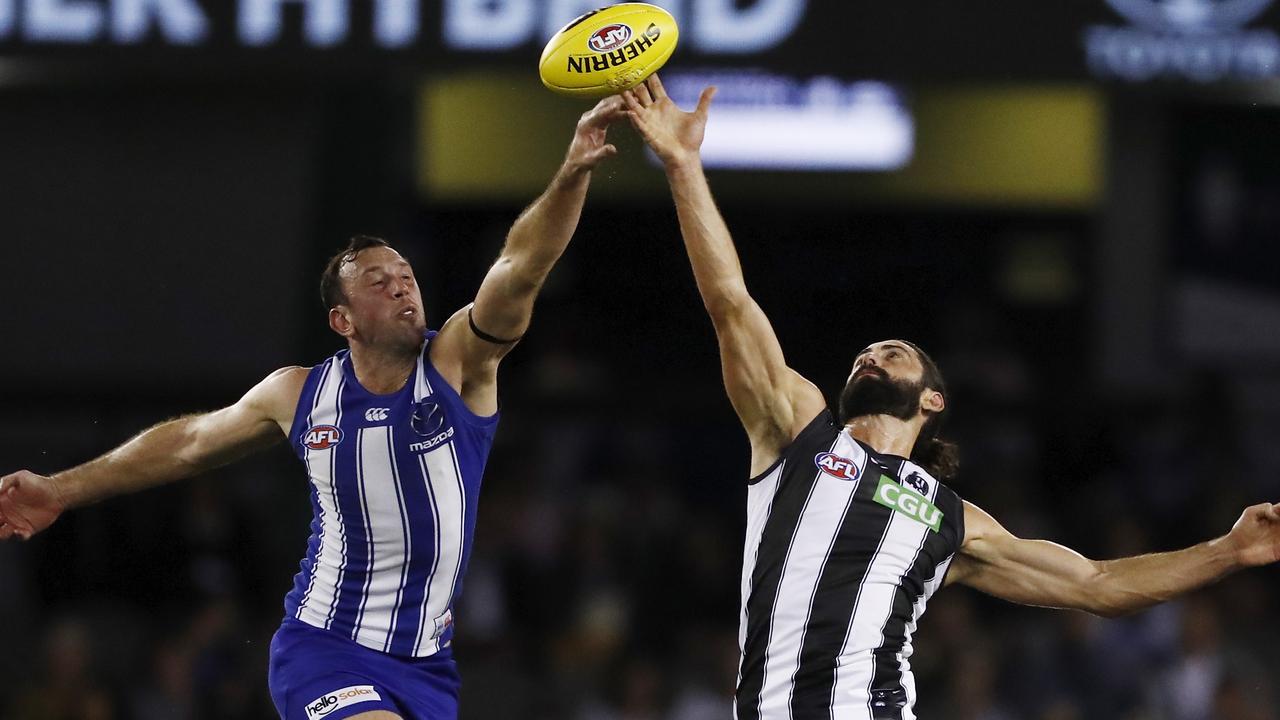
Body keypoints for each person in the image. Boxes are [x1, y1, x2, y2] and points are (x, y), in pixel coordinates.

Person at [621, 75, 1280, 720]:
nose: (872, 354)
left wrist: (1229, 552)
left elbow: (1096, 586)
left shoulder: (951, 519)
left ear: (933, 400)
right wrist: (682, 164)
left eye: (894, 351)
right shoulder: (798, 432)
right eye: (865, 354)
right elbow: (731, 305)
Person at [0, 96, 627, 720]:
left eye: (406, 275)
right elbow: (187, 443)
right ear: (342, 320)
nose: (402, 286)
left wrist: (571, 171)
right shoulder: (298, 394)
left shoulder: (458, 366)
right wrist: (59, 489)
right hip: (323, 648)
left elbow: (521, 267)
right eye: (378, 282)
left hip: (427, 666)